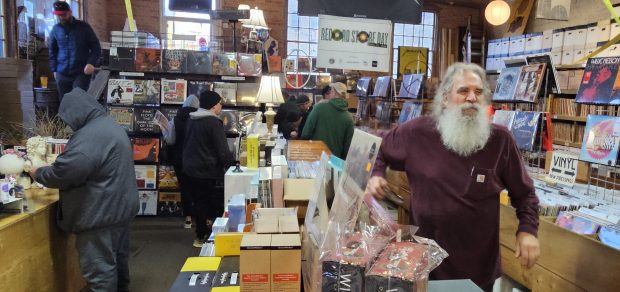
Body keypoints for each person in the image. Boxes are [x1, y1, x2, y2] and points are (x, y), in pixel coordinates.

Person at [365, 63, 540, 291]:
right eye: (463, 91)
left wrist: (527, 230)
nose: (471, 98)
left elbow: (525, 194)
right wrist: (376, 174)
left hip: (478, 272)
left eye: (478, 92)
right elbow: (378, 145)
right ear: (446, 98)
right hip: (425, 265)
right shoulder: (417, 133)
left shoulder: (500, 141)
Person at [30, 88, 138, 292]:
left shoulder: (90, 136)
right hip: (118, 209)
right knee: (117, 263)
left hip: (99, 213)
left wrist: (38, 172)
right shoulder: (109, 126)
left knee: (100, 273)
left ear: (75, 112)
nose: (68, 124)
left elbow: (66, 172)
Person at [182, 91, 234, 247]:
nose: (221, 106)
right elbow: (222, 150)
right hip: (207, 169)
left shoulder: (191, 119)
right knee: (206, 201)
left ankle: (201, 231)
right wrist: (230, 165)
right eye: (219, 103)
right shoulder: (213, 123)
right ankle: (202, 235)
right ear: (213, 105)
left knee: (198, 201)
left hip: (190, 167)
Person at [49, 1, 101, 100]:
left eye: (64, 14)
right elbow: (52, 51)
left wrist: (91, 63)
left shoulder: (84, 28)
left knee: (78, 100)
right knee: (65, 103)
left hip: (81, 72)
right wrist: (54, 69)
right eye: (59, 15)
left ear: (70, 12)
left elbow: (96, 47)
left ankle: (80, 115)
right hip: (62, 72)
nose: (61, 17)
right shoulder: (56, 30)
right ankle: (66, 116)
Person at [161, 95, 200, 229]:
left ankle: (188, 218)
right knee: (198, 187)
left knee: (185, 187)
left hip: (180, 158)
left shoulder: (175, 120)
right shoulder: (199, 119)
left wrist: (164, 130)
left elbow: (171, 140)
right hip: (196, 158)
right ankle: (202, 217)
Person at [301, 82, 353, 159]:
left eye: (330, 91)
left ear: (334, 92)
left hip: (316, 157)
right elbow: (347, 146)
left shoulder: (319, 108)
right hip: (335, 161)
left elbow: (305, 134)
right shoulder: (349, 117)